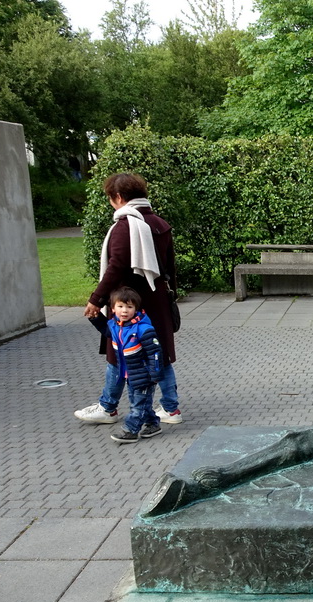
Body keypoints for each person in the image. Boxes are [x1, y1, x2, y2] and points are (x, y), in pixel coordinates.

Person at [75, 173, 182, 425]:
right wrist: (171, 298)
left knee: (118, 353)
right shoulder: (159, 223)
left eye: (111, 198)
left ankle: (108, 407)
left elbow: (116, 267)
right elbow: (170, 266)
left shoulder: (125, 226)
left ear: (119, 197)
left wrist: (96, 299)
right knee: (159, 354)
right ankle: (169, 408)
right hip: (156, 301)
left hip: (128, 304)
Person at [105, 287, 164, 444]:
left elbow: (155, 353)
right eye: (120, 306)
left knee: (137, 405)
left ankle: (130, 431)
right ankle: (153, 424)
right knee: (140, 402)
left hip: (144, 374)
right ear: (113, 309)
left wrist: (155, 374)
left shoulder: (143, 329)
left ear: (136, 309)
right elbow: (106, 331)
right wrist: (94, 318)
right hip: (130, 374)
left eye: (129, 307)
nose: (124, 311)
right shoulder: (117, 326)